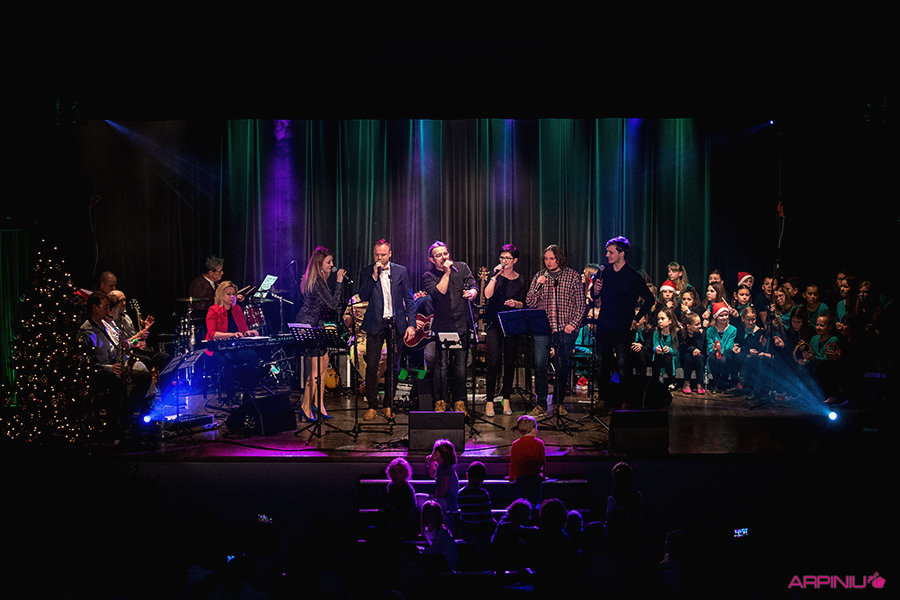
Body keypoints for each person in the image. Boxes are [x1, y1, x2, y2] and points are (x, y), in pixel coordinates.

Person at [588, 236, 656, 410]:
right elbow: (594, 295)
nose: (607, 255)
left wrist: (636, 318)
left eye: (611, 252)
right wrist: (596, 290)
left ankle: (626, 400)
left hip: (623, 325)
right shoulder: (604, 272)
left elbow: (649, 299)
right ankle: (603, 398)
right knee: (602, 363)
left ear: (622, 253)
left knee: (623, 363)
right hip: (605, 322)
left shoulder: (633, 275)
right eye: (607, 252)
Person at [356, 239, 418, 421]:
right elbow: (363, 295)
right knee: (372, 365)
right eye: (376, 254)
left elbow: (409, 299)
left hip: (395, 323)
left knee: (393, 367)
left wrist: (411, 324)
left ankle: (388, 405)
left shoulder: (401, 271)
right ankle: (372, 405)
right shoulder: (367, 272)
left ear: (390, 254)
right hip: (375, 323)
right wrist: (374, 276)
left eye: (383, 254)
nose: (380, 258)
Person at [80, 292, 152, 433]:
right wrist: (111, 368)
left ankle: (129, 415)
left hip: (113, 364)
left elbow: (112, 349)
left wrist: (126, 347)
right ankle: (122, 420)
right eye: (104, 307)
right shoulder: (88, 331)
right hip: (101, 373)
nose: (108, 310)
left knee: (144, 375)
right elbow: (89, 364)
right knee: (133, 379)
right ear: (94, 308)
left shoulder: (102, 325)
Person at [526, 244, 585, 416]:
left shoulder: (572, 276)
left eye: (552, 258)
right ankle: (541, 404)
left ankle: (559, 402)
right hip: (543, 328)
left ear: (559, 259)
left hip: (564, 328)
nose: (548, 262)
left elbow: (580, 304)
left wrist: (573, 324)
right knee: (539, 365)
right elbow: (530, 302)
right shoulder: (540, 276)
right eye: (546, 259)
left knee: (562, 365)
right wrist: (537, 286)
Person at [421, 241, 477, 413]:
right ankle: (440, 401)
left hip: (461, 324)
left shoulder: (461, 267)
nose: (443, 257)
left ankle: (460, 402)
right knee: (442, 365)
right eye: (438, 255)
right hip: (443, 326)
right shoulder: (429, 276)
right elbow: (439, 293)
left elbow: (473, 285)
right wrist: (446, 273)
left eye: (445, 253)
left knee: (460, 366)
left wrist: (472, 292)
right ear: (432, 259)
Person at [294, 246, 347, 422]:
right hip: (307, 326)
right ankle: (305, 406)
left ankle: (319, 404)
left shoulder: (317, 279)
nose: (332, 265)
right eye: (328, 262)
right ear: (319, 264)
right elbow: (333, 303)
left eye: (331, 262)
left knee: (324, 364)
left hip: (315, 324)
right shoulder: (317, 280)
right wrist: (339, 282)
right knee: (315, 370)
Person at [482, 244, 527, 416]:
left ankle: (506, 398)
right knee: (493, 361)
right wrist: (494, 276)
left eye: (508, 258)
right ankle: (489, 400)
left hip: (512, 324)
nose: (504, 261)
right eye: (502, 257)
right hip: (494, 323)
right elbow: (487, 295)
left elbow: (525, 303)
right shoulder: (495, 276)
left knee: (509, 362)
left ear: (515, 260)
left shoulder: (521, 279)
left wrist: (516, 303)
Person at [204, 280, 262, 402]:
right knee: (227, 364)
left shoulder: (237, 309)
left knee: (253, 357)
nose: (232, 297)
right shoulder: (213, 310)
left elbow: (243, 330)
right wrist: (232, 334)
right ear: (221, 295)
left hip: (234, 347)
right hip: (216, 348)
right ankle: (230, 396)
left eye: (233, 294)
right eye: (228, 294)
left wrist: (248, 332)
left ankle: (247, 391)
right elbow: (212, 334)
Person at [457, 461, 494, 564]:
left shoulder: (460, 493)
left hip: (465, 527)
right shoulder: (483, 494)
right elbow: (487, 516)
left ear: (467, 476)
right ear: (482, 479)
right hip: (479, 528)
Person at [509, 414, 546, 506]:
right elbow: (543, 462)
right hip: (535, 478)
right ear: (533, 430)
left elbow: (513, 463)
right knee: (534, 502)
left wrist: (511, 477)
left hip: (521, 478)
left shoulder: (516, 444)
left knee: (521, 503)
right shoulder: (539, 443)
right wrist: (543, 476)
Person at [381, 457, 419, 542]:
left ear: (406, 474)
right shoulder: (391, 486)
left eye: (400, 472)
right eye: (393, 471)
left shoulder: (407, 489)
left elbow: (406, 512)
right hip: (393, 521)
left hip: (406, 524)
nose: (396, 475)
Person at [705, 301, 739, 392]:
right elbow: (709, 345)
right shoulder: (710, 330)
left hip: (727, 354)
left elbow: (729, 344)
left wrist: (721, 351)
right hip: (715, 354)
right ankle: (716, 382)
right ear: (716, 317)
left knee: (723, 359)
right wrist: (713, 348)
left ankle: (723, 382)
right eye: (721, 315)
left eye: (726, 315)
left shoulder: (732, 329)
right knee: (712, 357)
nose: (724, 317)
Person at [420, 500, 458, 573]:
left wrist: (418, 549)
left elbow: (433, 550)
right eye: (428, 512)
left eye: (433, 513)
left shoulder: (442, 532)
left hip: (447, 563)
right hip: (440, 559)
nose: (430, 516)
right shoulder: (427, 532)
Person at [425, 438, 460, 518]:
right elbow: (432, 474)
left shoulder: (445, 468)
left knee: (420, 499)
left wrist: (432, 497)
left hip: (448, 501)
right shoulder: (441, 467)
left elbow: (443, 492)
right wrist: (431, 462)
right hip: (445, 500)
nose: (433, 453)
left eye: (435, 451)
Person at [651, 308, 680, 390]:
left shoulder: (676, 332)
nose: (660, 321)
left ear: (670, 320)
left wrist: (670, 350)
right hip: (661, 355)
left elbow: (676, 349)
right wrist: (657, 348)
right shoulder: (657, 331)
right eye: (658, 319)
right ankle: (656, 380)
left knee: (668, 357)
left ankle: (672, 381)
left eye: (662, 319)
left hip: (672, 356)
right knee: (656, 357)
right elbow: (655, 344)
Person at [679, 313, 707, 394]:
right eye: (696, 324)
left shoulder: (699, 333)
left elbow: (701, 347)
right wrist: (692, 349)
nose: (699, 326)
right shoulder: (681, 333)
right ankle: (686, 382)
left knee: (700, 357)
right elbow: (683, 347)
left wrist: (699, 335)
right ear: (688, 326)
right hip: (686, 357)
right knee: (688, 356)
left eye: (700, 323)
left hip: (698, 356)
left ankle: (700, 384)